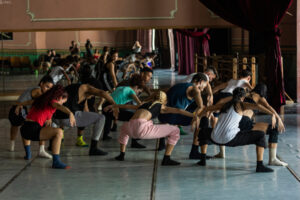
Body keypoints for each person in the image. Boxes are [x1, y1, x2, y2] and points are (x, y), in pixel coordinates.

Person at [197, 87, 283, 172]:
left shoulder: (224, 105)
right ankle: (259, 166)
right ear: (243, 98)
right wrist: (273, 114)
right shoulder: (241, 105)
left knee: (202, 132)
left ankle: (203, 159)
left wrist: (197, 119)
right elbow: (258, 106)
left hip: (215, 137)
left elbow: (207, 108)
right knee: (260, 135)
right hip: (231, 139)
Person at [212, 84, 287, 166]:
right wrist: (278, 118)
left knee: (225, 130)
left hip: (235, 121)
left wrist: (213, 110)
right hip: (245, 122)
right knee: (274, 130)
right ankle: (272, 159)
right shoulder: (259, 97)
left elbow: (222, 101)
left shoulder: (243, 95)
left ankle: (222, 153)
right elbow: (269, 107)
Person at [114, 91, 197, 165]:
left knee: (124, 130)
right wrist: (194, 115)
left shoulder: (143, 104)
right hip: (141, 129)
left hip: (129, 127)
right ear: (164, 100)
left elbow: (129, 107)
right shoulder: (160, 106)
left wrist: (113, 106)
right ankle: (167, 158)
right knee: (175, 130)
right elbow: (179, 110)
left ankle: (121, 155)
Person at [52, 83, 119, 155]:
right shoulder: (85, 87)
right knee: (101, 118)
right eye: (93, 95)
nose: (92, 97)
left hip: (55, 119)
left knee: (82, 114)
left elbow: (85, 112)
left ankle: (51, 145)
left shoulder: (75, 91)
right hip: (67, 119)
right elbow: (102, 92)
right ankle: (94, 148)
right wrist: (114, 105)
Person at [20, 85, 76, 169]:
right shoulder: (53, 101)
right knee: (59, 132)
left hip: (24, 128)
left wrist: (19, 105)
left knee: (45, 127)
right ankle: (56, 162)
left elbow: (29, 102)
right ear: (59, 98)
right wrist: (70, 113)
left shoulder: (43, 99)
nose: (62, 103)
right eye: (63, 101)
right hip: (32, 129)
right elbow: (58, 106)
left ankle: (28, 154)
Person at [158, 73, 208, 154]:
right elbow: (201, 106)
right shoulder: (195, 89)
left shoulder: (180, 85)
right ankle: (195, 151)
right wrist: (195, 118)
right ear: (201, 81)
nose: (202, 89)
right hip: (172, 117)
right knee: (204, 118)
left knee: (188, 106)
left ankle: (161, 142)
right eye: (204, 86)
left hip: (162, 116)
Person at [8, 75, 54, 159]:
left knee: (15, 126)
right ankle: (40, 150)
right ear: (41, 84)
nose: (48, 90)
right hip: (19, 109)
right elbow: (44, 105)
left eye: (50, 88)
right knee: (32, 126)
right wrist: (49, 117)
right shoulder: (39, 91)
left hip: (15, 109)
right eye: (47, 87)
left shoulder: (36, 88)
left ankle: (12, 145)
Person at [102, 74, 144, 141]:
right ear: (136, 87)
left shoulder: (121, 87)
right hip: (111, 108)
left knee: (108, 119)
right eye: (139, 92)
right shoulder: (131, 91)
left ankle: (105, 135)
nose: (138, 94)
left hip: (105, 105)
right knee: (133, 117)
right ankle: (135, 140)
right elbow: (140, 104)